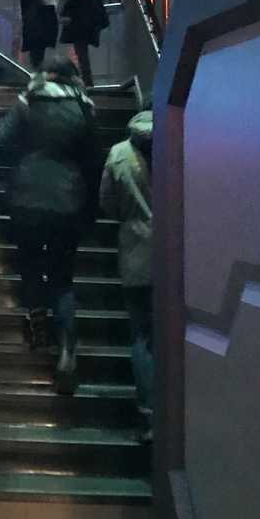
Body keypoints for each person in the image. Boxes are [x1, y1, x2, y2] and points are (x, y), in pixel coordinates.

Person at [0, 52, 100, 392]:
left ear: (43, 75)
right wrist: (90, 208)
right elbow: (95, 163)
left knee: (30, 266)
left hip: (26, 200)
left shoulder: (28, 102)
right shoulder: (85, 108)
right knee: (62, 277)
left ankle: (38, 322)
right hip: (68, 204)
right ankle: (68, 350)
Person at [99, 99, 153, 439]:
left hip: (135, 251)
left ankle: (148, 415)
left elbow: (107, 202)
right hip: (178, 250)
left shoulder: (119, 152)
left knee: (142, 337)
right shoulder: (183, 140)